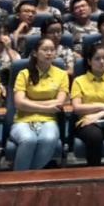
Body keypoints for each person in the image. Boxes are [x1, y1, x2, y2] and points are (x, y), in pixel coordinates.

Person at [10, 37, 68, 171]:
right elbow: (19, 103)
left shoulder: (62, 74)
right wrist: (47, 107)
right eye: (45, 50)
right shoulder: (24, 74)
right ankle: (22, 178)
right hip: (23, 120)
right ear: (35, 53)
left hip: (48, 120)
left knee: (49, 139)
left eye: (52, 50)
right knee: (28, 140)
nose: (49, 53)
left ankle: (24, 176)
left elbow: (60, 102)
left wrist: (29, 103)